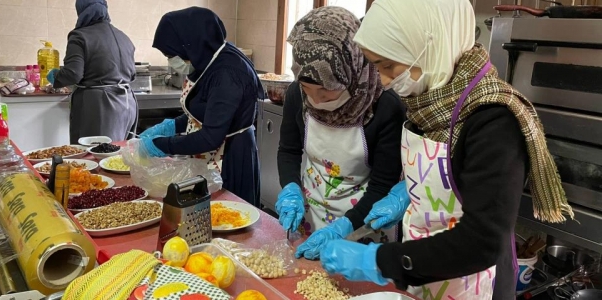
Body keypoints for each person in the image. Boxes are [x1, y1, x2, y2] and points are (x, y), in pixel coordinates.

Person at [319, 0, 574, 299]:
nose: (385, 82)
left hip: (470, 284)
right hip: (421, 277)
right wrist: (407, 194)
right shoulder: (428, 100)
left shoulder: (494, 119)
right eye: (377, 67)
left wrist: (377, 260)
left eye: (389, 66)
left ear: (430, 45)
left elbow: (482, 242)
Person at [275, 7, 406, 260]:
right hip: (310, 216)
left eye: (325, 91)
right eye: (307, 88)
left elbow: (382, 186)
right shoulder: (296, 95)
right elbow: (289, 150)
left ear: (351, 72)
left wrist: (344, 227)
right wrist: (290, 186)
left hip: (363, 225)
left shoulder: (384, 106)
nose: (315, 100)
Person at [141, 7, 265, 207]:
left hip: (230, 157)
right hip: (211, 153)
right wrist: (173, 125)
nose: (172, 61)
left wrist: (162, 145)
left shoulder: (228, 73)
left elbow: (210, 137)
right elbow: (206, 112)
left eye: (173, 55)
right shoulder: (207, 60)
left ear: (190, 44)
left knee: (227, 216)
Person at [47, 0, 137, 144]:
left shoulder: (80, 35)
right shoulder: (123, 36)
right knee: (118, 157)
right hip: (127, 104)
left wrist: (56, 76)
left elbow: (73, 74)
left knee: (92, 157)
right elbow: (132, 74)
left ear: (82, 11)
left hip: (100, 106)